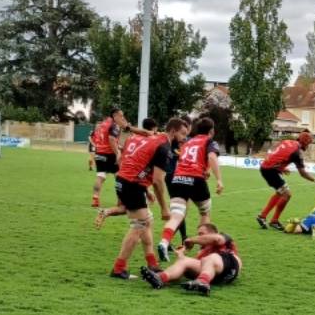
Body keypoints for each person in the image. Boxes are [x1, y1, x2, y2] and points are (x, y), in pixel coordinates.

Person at [109, 117, 188, 279]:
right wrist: (165, 208)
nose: (184, 138)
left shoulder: (155, 137)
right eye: (182, 134)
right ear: (173, 131)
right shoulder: (164, 147)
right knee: (139, 224)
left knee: (147, 221)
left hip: (125, 181)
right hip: (132, 185)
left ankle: (152, 263)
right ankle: (118, 268)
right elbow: (158, 181)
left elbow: (140, 164)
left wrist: (145, 189)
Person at [158, 118, 224, 260]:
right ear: (211, 131)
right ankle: (203, 247)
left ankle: (164, 242)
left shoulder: (187, 142)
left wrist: (204, 169)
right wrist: (219, 179)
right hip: (195, 179)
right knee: (204, 212)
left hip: (178, 178)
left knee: (176, 215)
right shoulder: (209, 141)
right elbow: (212, 156)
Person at [140, 223, 241, 296]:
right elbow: (188, 270)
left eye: (201, 234)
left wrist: (191, 240)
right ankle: (161, 278)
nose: (199, 237)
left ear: (213, 232)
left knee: (210, 258)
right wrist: (181, 254)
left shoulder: (222, 237)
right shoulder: (202, 253)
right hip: (215, 277)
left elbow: (216, 239)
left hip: (231, 266)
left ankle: (202, 281)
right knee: (185, 262)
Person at [256, 130, 315, 231]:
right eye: (308, 143)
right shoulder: (297, 153)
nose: (308, 146)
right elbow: (303, 173)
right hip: (270, 170)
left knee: (280, 192)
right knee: (287, 194)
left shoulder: (287, 141)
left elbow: (275, 154)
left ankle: (263, 216)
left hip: (266, 167)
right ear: (304, 142)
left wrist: (281, 167)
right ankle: (273, 220)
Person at [90, 108, 124, 208]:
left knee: (100, 176)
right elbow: (111, 139)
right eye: (121, 116)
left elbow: (97, 138)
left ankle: (95, 198)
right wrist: (117, 152)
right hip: (110, 154)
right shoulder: (114, 125)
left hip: (99, 152)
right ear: (115, 116)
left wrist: (118, 146)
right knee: (119, 176)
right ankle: (120, 200)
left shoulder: (102, 125)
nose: (122, 118)